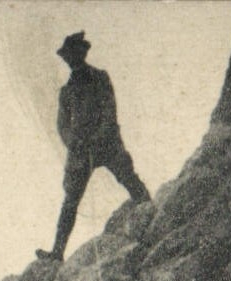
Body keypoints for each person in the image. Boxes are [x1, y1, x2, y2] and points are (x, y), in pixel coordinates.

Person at [37, 31, 150, 264]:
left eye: (74, 54)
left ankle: (151, 211)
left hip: (107, 144)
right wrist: (73, 143)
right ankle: (57, 252)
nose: (70, 59)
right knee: (70, 202)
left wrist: (99, 137)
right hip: (80, 152)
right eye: (67, 56)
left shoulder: (100, 78)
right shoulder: (66, 92)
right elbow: (62, 126)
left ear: (83, 53)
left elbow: (110, 111)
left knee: (128, 177)